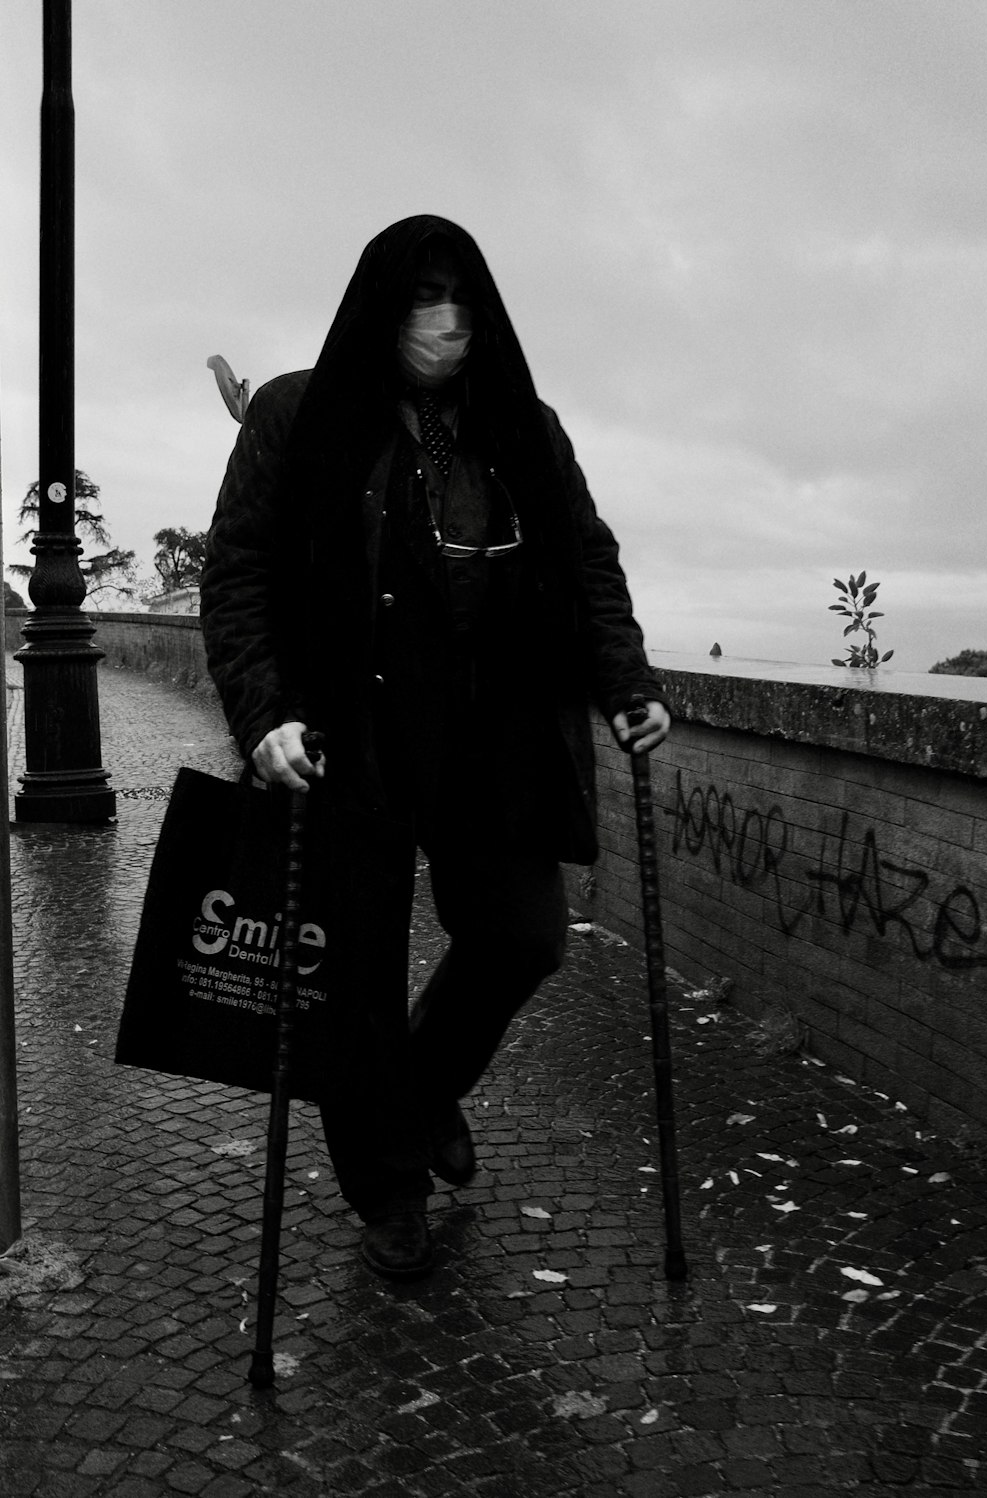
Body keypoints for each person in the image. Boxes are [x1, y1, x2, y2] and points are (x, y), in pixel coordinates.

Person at [201, 214, 669, 1280]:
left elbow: (586, 563)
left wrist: (626, 682)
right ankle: (387, 1187)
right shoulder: (295, 414)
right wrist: (263, 710)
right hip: (347, 735)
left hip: (492, 736)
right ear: (381, 305)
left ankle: (418, 1087)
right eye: (422, 297)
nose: (446, 322)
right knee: (353, 970)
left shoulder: (521, 424)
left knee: (523, 934)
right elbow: (237, 577)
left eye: (461, 297)